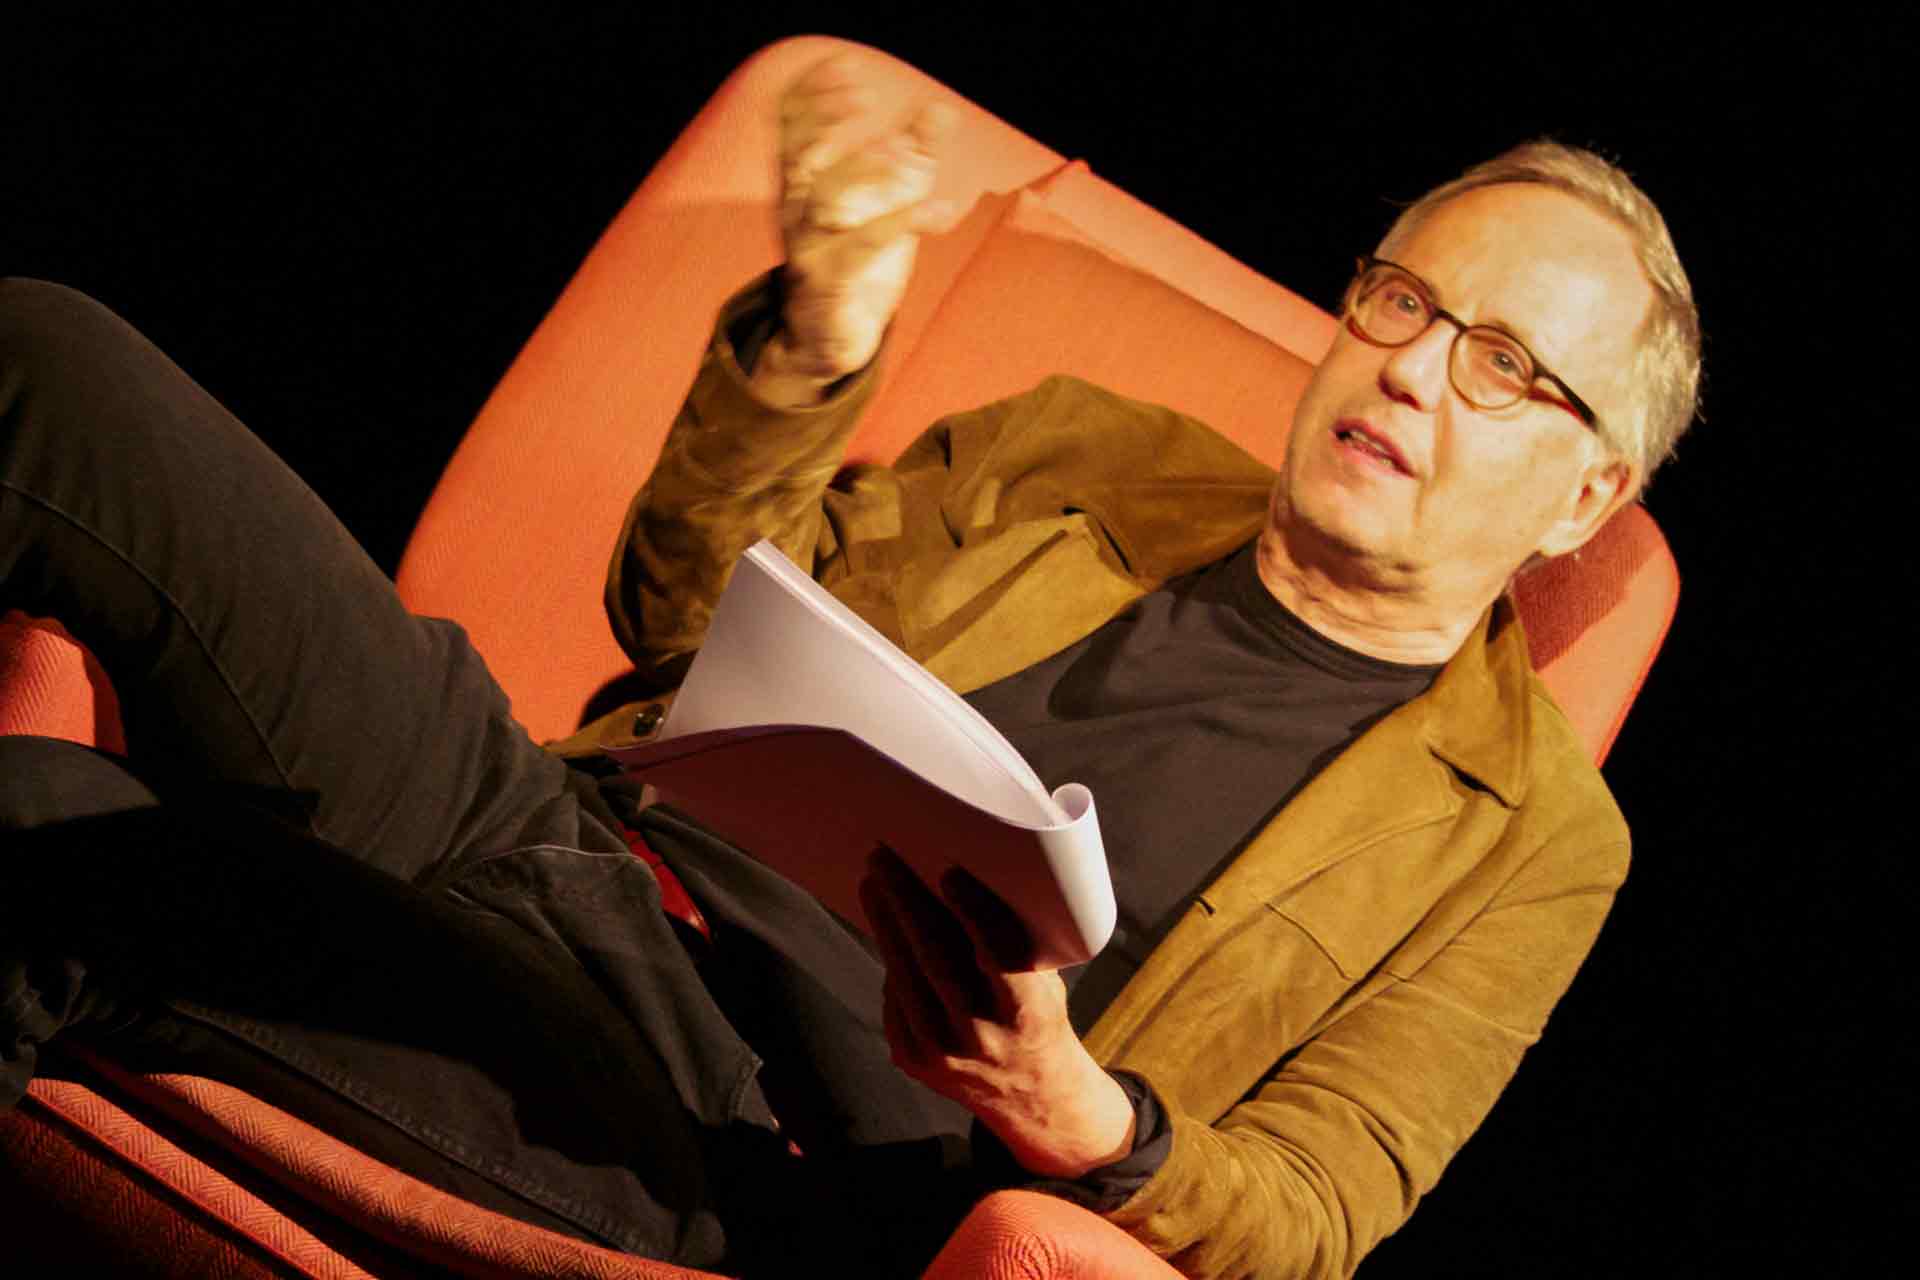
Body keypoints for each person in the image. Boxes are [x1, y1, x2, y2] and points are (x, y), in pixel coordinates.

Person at [0, 52, 1699, 1280]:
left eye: (1500, 363)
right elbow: (678, 613)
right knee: (50, 363)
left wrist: (1077, 1111)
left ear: (1586, 496)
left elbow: (1314, 1208)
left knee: (50, 846)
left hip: (753, 1121)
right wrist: (815, 346)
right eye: (1401, 300)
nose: (1409, 369)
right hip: (559, 823)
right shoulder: (1083, 449)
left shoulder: (1530, 841)